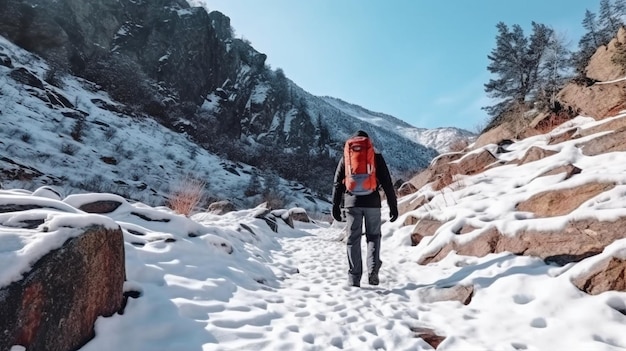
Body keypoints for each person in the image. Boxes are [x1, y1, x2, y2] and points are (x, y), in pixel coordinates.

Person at [331, 130, 398, 287]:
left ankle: (354, 279)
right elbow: (387, 183)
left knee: (353, 239)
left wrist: (335, 205)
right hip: (372, 202)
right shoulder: (375, 156)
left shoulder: (347, 158)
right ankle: (373, 269)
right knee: (373, 237)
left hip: (352, 202)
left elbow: (337, 183)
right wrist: (393, 206)